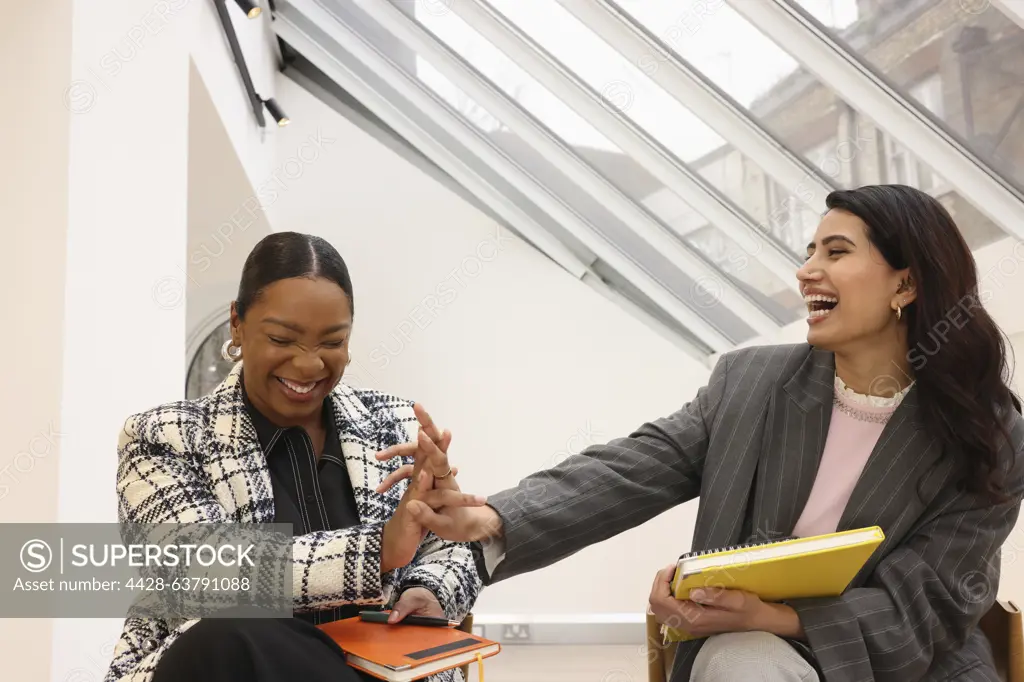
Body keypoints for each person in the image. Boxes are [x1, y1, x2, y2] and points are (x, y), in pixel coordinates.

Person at [379, 185, 1024, 681]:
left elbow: (929, 606)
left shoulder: (989, 433)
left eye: (836, 252)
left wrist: (778, 615)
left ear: (905, 284)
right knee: (744, 658)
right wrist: (493, 518)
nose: (806, 272)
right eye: (808, 252)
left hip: (905, 666)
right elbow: (630, 469)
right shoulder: (751, 383)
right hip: (751, 657)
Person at [104, 232, 487, 682]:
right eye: (283, 339)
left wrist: (429, 592)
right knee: (230, 632)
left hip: (383, 673)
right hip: (222, 669)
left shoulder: (395, 422)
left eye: (331, 342)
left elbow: (458, 549)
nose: (309, 365)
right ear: (236, 324)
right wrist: (380, 548)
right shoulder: (163, 437)